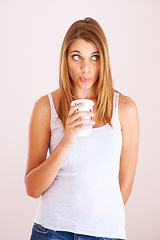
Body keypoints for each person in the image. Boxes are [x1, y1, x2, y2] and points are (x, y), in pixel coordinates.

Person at [25, 17, 140, 240]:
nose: (85, 68)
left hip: (105, 233)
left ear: (104, 60)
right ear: (65, 59)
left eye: (94, 57)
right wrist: (66, 141)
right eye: (76, 57)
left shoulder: (125, 109)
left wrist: (99, 221)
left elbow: (125, 180)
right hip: (51, 231)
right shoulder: (45, 107)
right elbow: (32, 188)